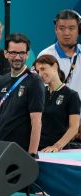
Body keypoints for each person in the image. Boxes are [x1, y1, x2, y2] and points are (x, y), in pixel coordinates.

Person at [0, 33, 45, 155]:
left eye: (21, 53)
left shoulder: (34, 82)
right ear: (6, 53)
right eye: (13, 53)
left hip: (21, 152)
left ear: (27, 55)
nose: (17, 57)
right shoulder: (1, 81)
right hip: (0, 149)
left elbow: (36, 121)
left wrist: (31, 154)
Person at [38, 9, 81, 140]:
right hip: (54, 128)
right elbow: (40, 94)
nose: (66, 33)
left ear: (79, 29)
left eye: (72, 28)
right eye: (62, 28)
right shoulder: (46, 56)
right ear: (56, 30)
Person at [33, 54, 80, 152]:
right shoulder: (39, 93)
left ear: (55, 66)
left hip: (57, 152)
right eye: (38, 71)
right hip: (36, 149)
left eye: (43, 69)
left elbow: (74, 128)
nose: (40, 74)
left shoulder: (71, 95)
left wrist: (57, 146)